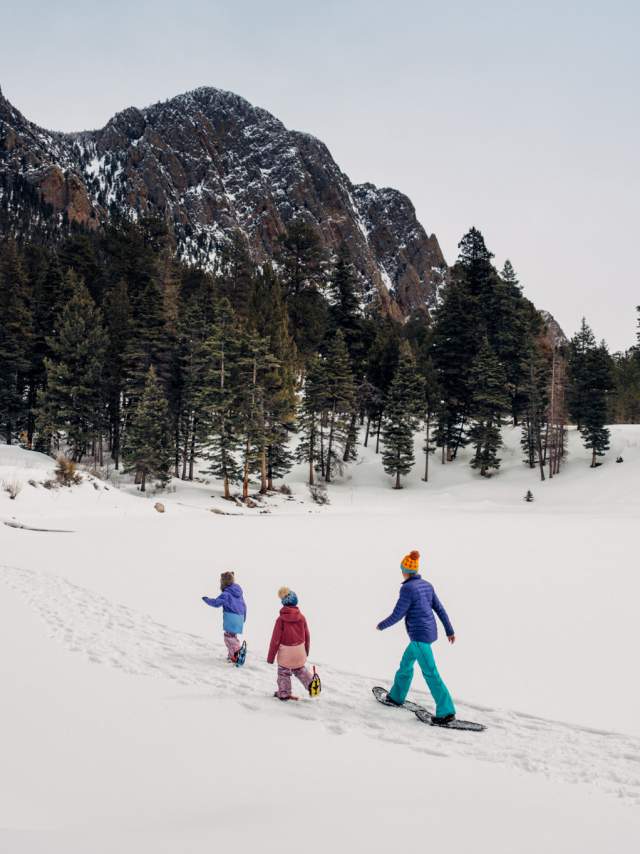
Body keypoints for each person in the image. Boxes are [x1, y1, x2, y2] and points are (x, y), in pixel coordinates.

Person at [376, 550, 456, 724]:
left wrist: (382, 625)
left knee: (430, 673)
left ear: (404, 570)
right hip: (426, 634)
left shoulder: (407, 588)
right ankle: (396, 696)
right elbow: (440, 609)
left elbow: (398, 614)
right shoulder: (427, 585)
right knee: (405, 665)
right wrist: (449, 630)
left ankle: (446, 712)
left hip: (420, 637)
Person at [267, 587, 318, 700]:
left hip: (286, 652)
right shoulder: (302, 618)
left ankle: (284, 693)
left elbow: (275, 640)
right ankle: (311, 685)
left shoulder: (281, 620)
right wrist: (306, 651)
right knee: (300, 669)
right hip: (299, 650)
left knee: (283, 672)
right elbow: (307, 636)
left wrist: (271, 657)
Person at [202, 571, 247, 663]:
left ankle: (237, 651)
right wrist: (244, 617)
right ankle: (232, 655)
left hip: (231, 616)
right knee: (232, 636)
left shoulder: (227, 593)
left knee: (228, 637)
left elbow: (216, 603)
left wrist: (206, 599)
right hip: (240, 617)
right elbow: (244, 605)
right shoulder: (239, 593)